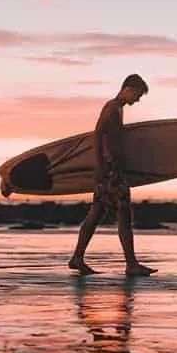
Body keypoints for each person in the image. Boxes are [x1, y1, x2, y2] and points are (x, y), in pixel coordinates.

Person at [68, 75, 157, 276]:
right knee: (124, 214)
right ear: (128, 88)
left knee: (96, 213)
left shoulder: (117, 108)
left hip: (111, 168)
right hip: (111, 169)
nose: (137, 100)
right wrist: (100, 165)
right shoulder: (112, 108)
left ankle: (77, 257)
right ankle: (131, 264)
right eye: (137, 94)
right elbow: (98, 134)